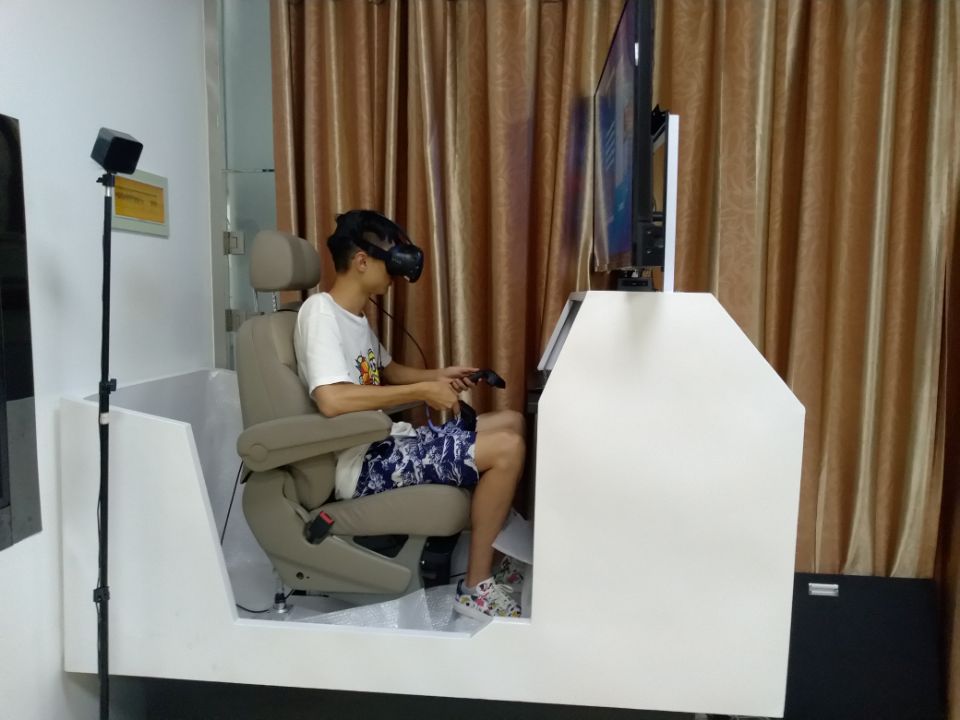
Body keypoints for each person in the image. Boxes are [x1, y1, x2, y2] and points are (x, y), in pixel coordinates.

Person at [293, 209, 526, 619]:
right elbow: (331, 399)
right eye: (389, 260)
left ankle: (496, 559)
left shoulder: (355, 316)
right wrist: (422, 392)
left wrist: (440, 376)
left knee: (512, 422)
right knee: (506, 448)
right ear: (361, 260)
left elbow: (389, 371)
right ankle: (475, 587)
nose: (395, 274)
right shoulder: (320, 313)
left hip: (386, 441)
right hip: (360, 464)